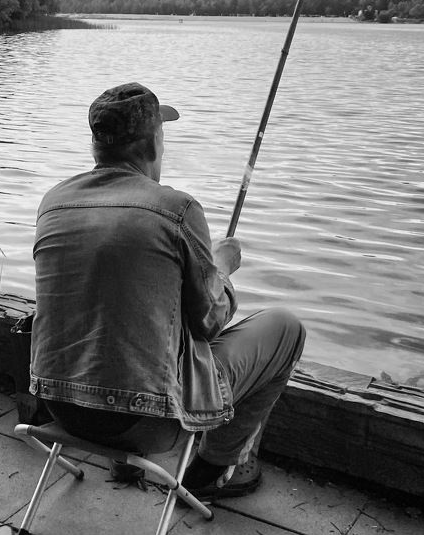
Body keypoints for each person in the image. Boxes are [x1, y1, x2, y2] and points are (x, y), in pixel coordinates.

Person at [30, 82, 305, 499]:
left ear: (96, 145)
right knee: (286, 328)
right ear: (153, 144)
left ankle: (125, 464)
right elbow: (210, 321)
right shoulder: (178, 210)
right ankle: (215, 467)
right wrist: (222, 268)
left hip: (61, 409)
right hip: (144, 423)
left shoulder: (53, 202)